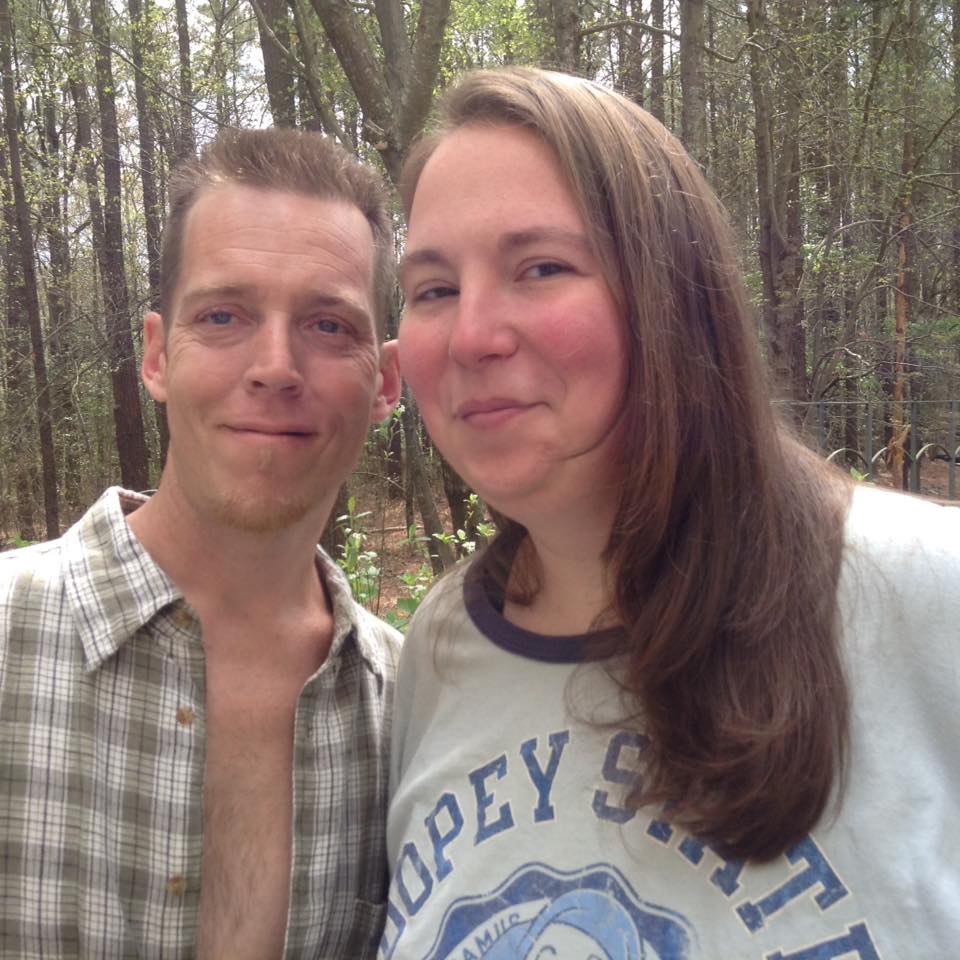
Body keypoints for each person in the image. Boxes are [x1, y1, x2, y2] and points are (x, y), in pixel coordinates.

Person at [379, 67, 960, 960]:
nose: (472, 335)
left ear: (674, 297)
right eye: (434, 289)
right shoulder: (438, 649)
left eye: (542, 268)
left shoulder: (925, 592)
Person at [0, 127, 402, 959]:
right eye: (223, 316)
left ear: (385, 382)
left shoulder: (414, 714)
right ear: (156, 356)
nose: (276, 366)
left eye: (329, 325)